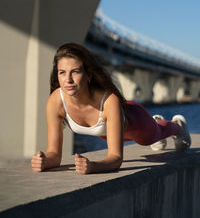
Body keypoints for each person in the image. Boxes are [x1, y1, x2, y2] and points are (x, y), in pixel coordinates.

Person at [31, 43, 191, 174]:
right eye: (62, 73)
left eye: (75, 72)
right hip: (106, 133)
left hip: (136, 123)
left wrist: (93, 166)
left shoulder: (109, 101)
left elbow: (115, 158)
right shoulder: (55, 101)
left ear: (89, 75)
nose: (68, 80)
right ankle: (157, 123)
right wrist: (44, 161)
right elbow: (54, 154)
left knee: (151, 138)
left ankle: (176, 125)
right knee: (114, 137)